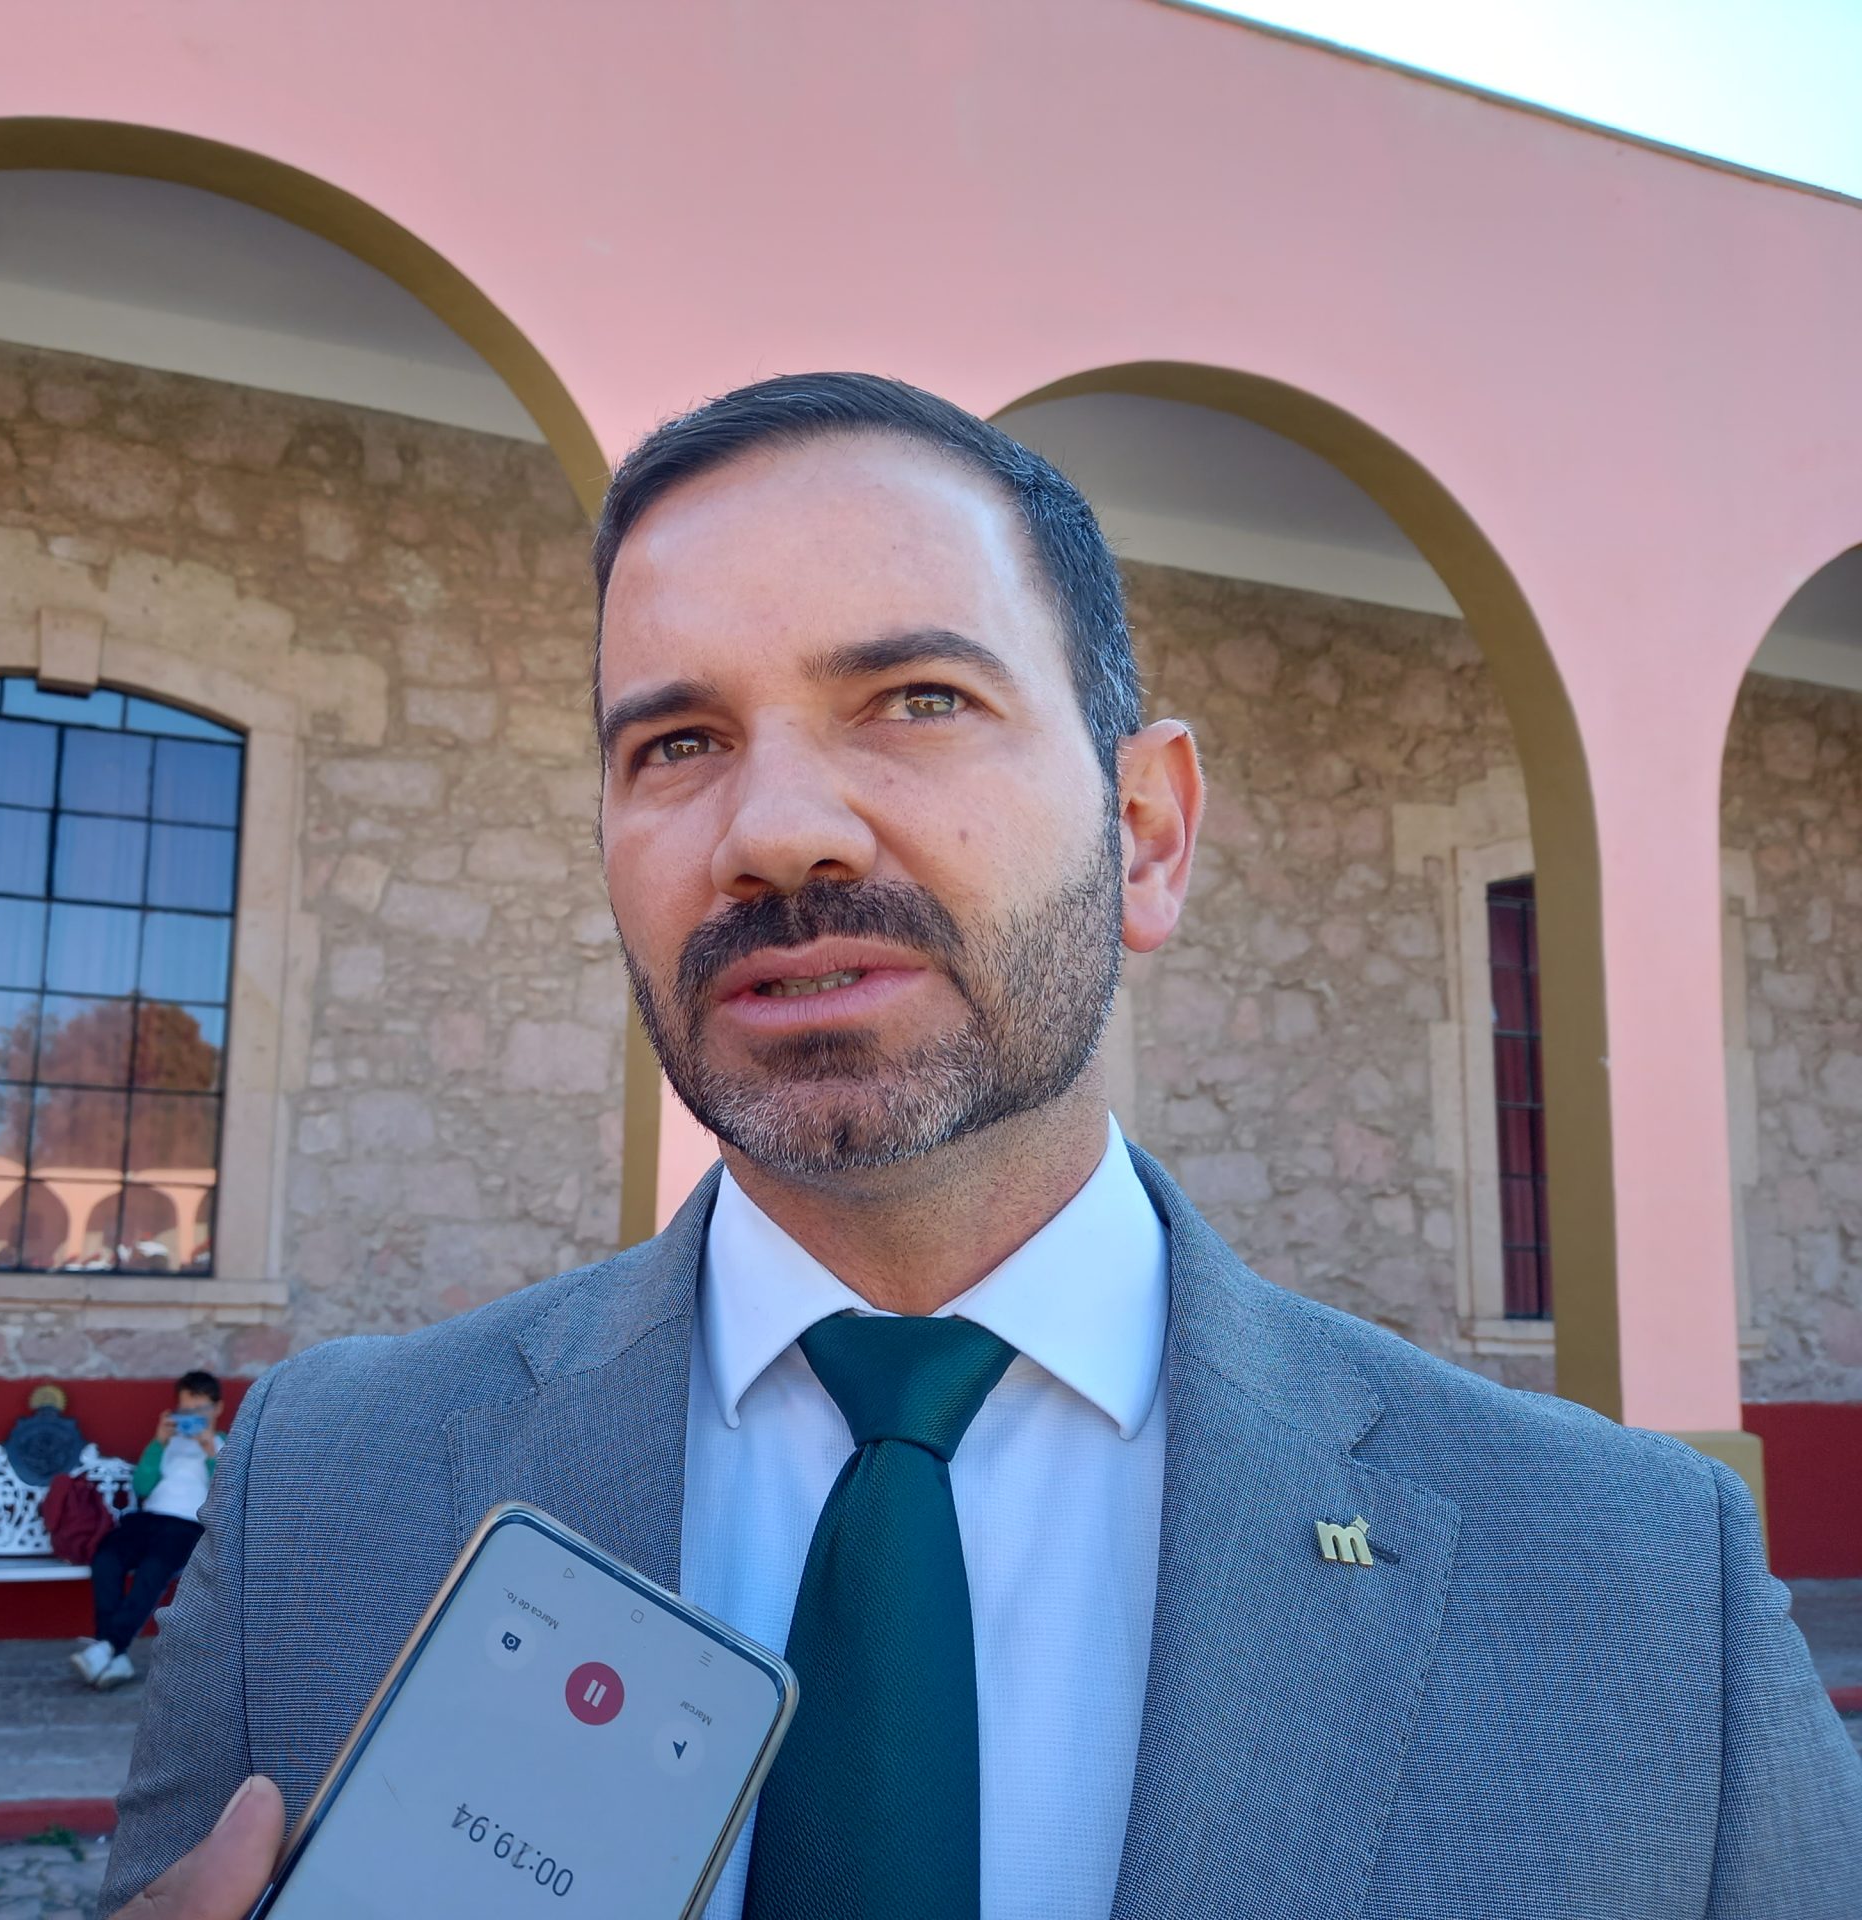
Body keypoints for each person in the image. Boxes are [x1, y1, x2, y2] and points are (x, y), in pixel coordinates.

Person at [100, 375, 1862, 1917]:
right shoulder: (320, 1495)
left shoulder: (1643, 1585)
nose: (776, 830)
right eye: (679, 743)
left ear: (1147, 832)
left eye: (917, 698)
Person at [72, 1370, 223, 1690]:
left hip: (188, 1525)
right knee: (107, 1558)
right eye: (186, 1410)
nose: (192, 1417)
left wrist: (211, 1451)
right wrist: (158, 1442)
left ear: (217, 1409)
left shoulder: (224, 1446)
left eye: (200, 1410)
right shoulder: (167, 1443)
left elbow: (224, 1495)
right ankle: (114, 1654)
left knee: (154, 1570)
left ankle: (107, 1647)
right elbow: (142, 1486)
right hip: (149, 1517)